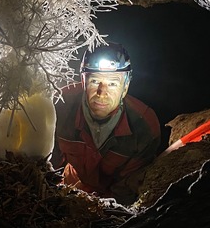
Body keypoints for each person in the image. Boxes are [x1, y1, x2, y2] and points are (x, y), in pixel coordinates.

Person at [51, 43, 161, 204]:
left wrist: (99, 209)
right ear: (83, 81)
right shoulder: (59, 107)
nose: (102, 93)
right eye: (95, 81)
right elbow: (47, 162)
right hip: (68, 184)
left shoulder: (143, 126)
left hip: (110, 198)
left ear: (125, 87)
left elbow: (129, 185)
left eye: (112, 83)